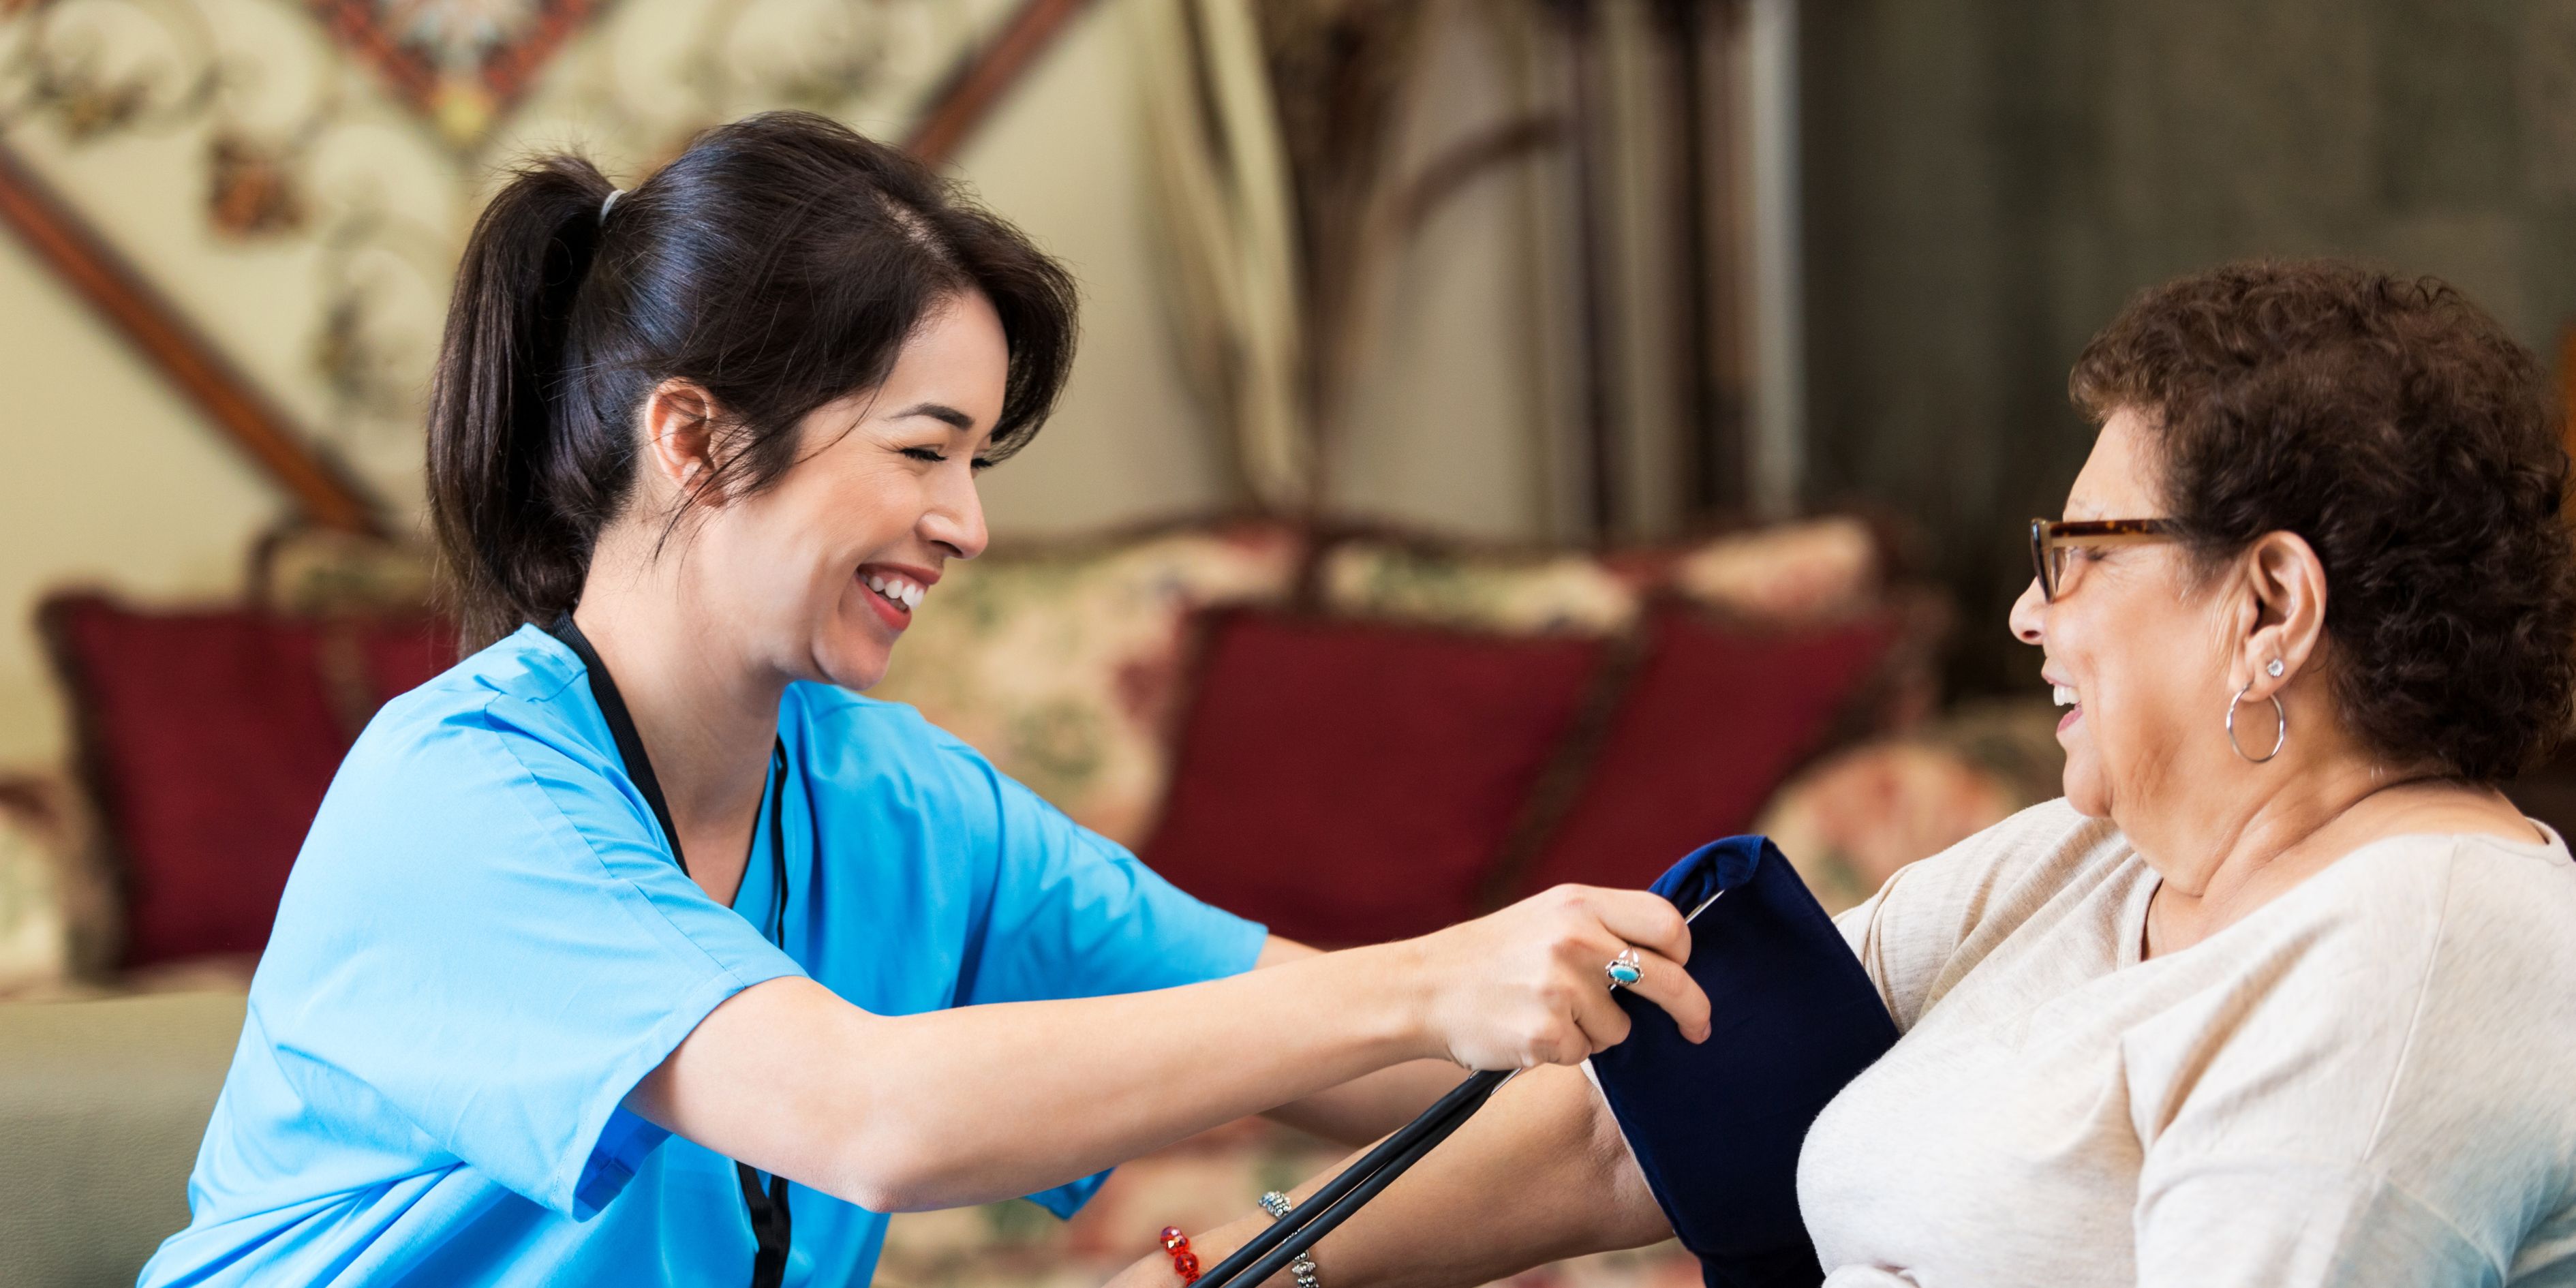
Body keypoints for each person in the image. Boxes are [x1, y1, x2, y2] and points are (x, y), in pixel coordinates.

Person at [137, 111, 1712, 1288]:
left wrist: (1713, 1050)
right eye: (920, 449)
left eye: (974, 461)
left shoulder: (901, 806)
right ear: (693, 442)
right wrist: (1429, 977)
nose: (967, 523)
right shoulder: (461, 801)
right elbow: (864, 1113)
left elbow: (1393, 1071)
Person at [1127, 260, 2576, 1287]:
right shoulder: (2087, 866)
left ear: (2268, 609)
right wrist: (1232, 1269)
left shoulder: (2417, 965)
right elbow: (1627, 1125)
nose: (2030, 614)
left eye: (2078, 560)